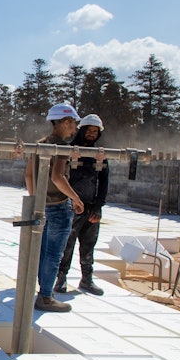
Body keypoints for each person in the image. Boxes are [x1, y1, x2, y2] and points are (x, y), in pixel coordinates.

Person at [25, 103, 85, 312]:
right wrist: (76, 199)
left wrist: (36, 200)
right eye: (73, 123)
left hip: (43, 206)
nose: (75, 128)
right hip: (59, 208)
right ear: (65, 122)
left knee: (42, 252)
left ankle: (43, 290)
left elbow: (28, 175)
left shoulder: (39, 144)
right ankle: (46, 297)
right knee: (53, 254)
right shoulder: (61, 147)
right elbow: (58, 178)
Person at [55, 114, 109, 295]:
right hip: (71, 206)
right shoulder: (69, 151)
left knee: (88, 246)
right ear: (82, 130)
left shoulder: (99, 156)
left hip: (90, 207)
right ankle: (61, 279)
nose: (92, 134)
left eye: (95, 132)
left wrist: (98, 206)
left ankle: (87, 279)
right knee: (67, 245)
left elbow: (103, 182)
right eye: (89, 131)